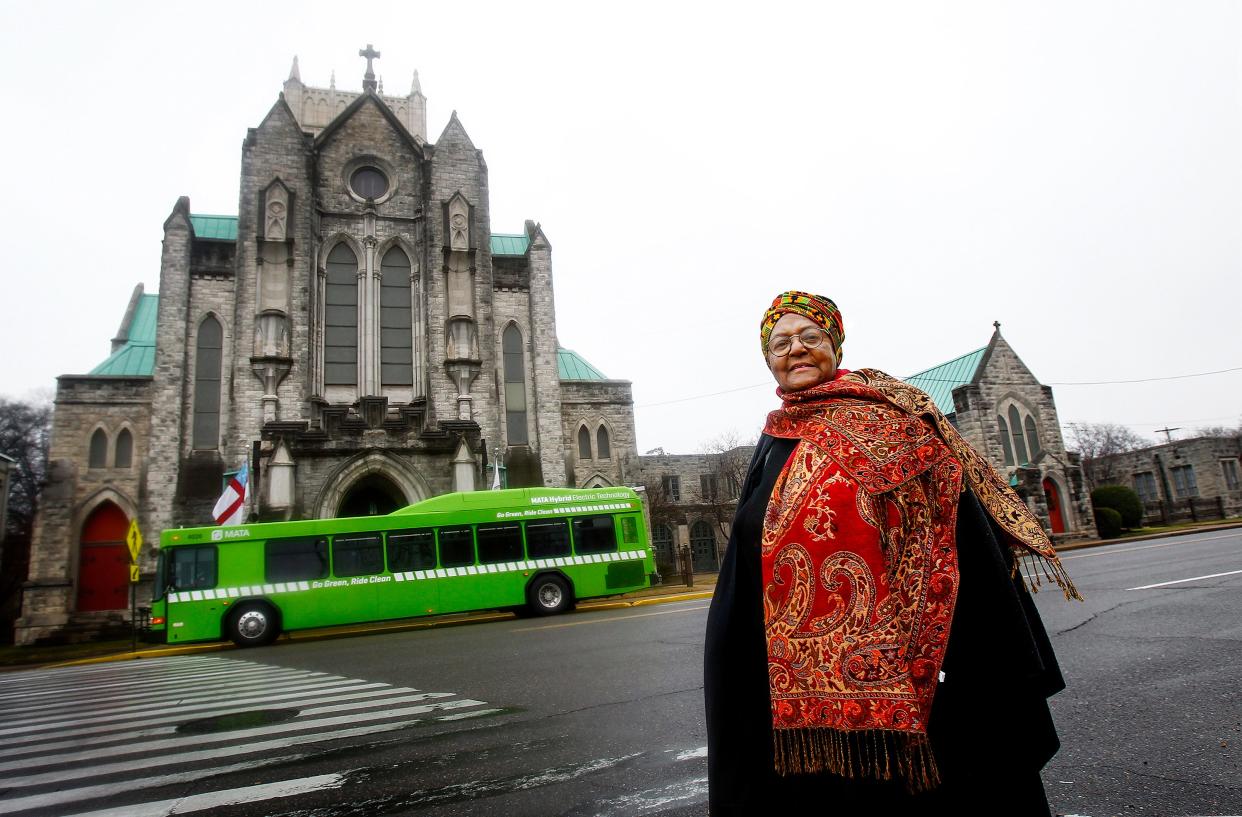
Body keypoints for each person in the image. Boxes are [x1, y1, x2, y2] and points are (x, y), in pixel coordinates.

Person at [704, 291, 1080, 815]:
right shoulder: (775, 437)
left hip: (914, 660)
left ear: (834, 345)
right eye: (781, 343)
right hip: (795, 673)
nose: (796, 350)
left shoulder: (892, 416)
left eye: (810, 337)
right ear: (768, 359)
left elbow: (949, 518)